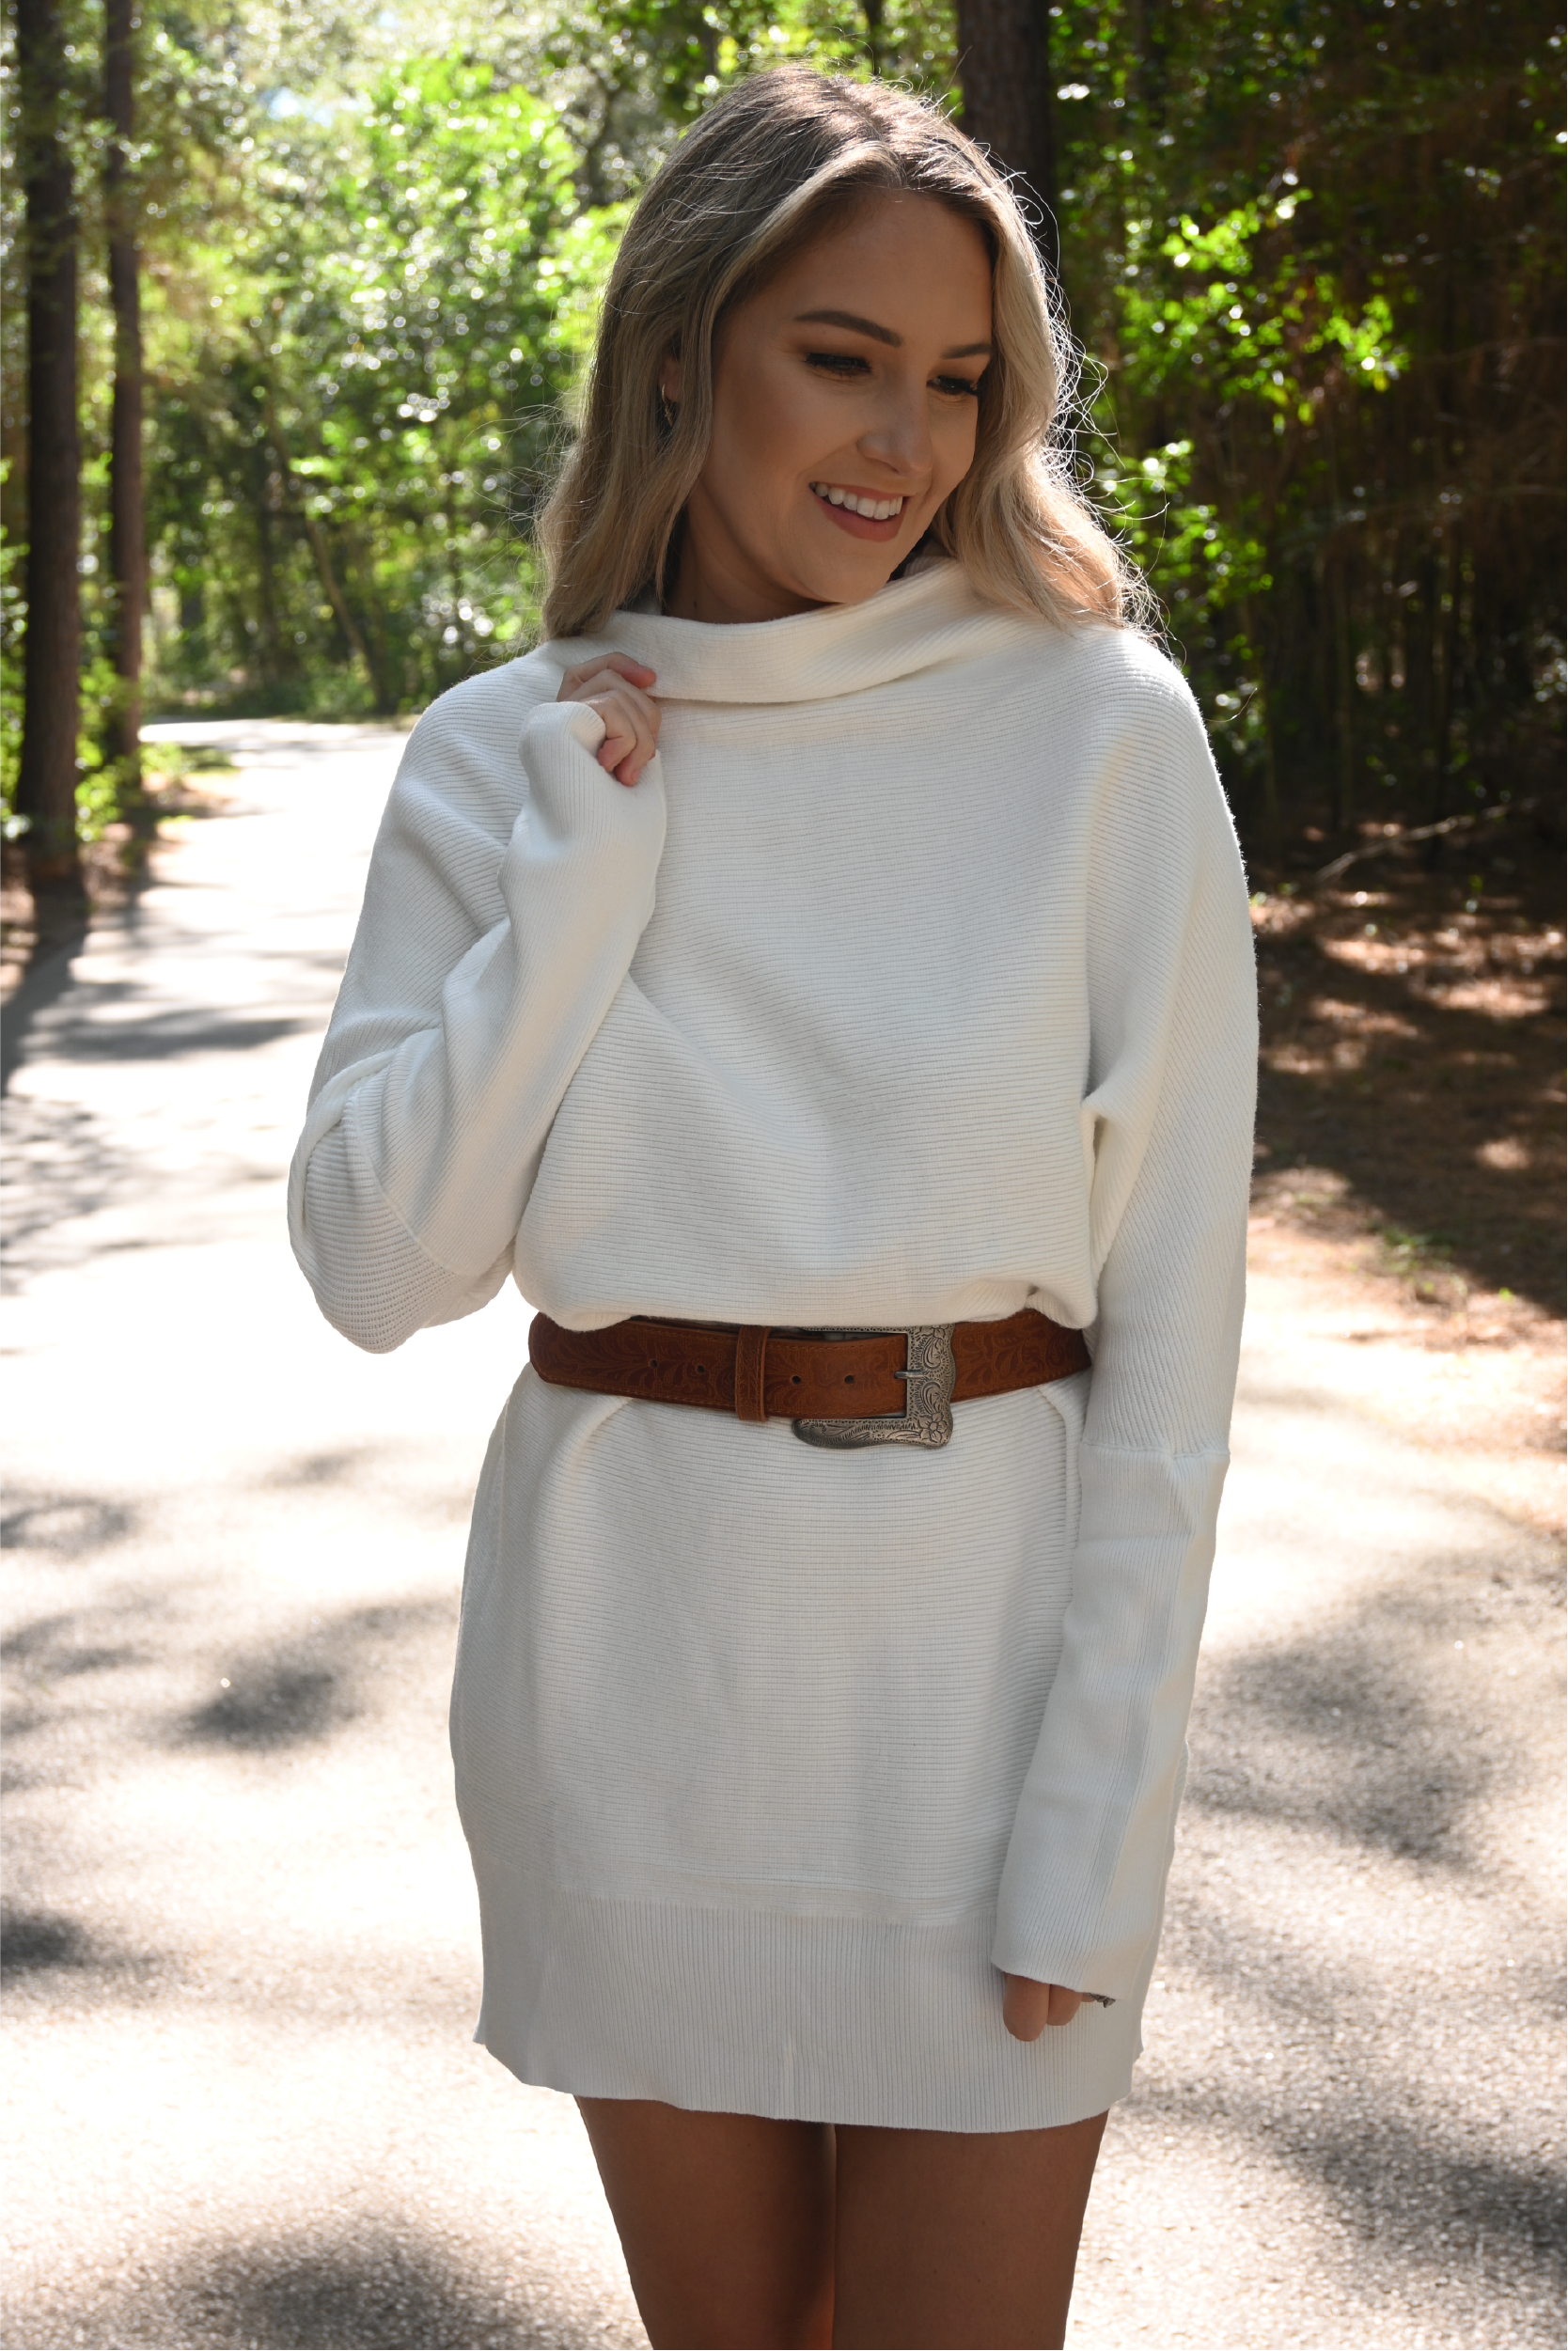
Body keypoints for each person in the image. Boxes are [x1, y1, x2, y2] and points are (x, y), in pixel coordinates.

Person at [288, 64, 1257, 2351]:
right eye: (843, 355)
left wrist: (1100, 1809)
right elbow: (376, 1269)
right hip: (631, 1685)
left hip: (980, 1687)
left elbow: (1181, 1341)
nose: (905, 440)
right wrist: (580, 884)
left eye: (957, 380)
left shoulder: (1096, 727)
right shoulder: (498, 751)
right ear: (683, 345)